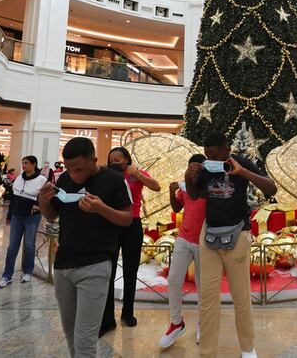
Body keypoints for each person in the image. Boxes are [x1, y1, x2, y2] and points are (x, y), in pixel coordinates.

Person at [184, 130, 277, 358]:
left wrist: (242, 171)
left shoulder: (240, 162)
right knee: (207, 298)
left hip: (238, 234)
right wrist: (189, 176)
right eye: (208, 156)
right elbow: (196, 196)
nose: (211, 161)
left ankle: (247, 347)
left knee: (241, 295)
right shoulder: (206, 167)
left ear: (227, 150)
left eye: (215, 156)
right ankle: (207, 352)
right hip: (210, 235)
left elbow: (271, 188)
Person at [37, 137, 132, 358]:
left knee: (86, 337)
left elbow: (127, 218)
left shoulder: (114, 180)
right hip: (63, 265)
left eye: (79, 169)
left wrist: (101, 208)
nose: (74, 174)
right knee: (70, 332)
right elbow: (52, 215)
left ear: (94, 160)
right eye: (69, 169)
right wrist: (43, 200)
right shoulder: (64, 181)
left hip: (95, 264)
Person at [101, 147, 161, 335]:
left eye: (119, 159)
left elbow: (156, 186)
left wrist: (137, 174)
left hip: (133, 224)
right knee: (108, 272)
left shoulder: (136, 172)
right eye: (112, 160)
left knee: (130, 270)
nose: (115, 163)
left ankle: (128, 313)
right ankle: (107, 318)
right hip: (111, 224)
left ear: (127, 159)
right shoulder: (106, 174)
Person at [160, 178, 207, 349]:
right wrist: (172, 192)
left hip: (205, 241)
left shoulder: (211, 186)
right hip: (183, 238)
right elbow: (176, 208)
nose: (193, 174)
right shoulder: (186, 186)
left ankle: (204, 323)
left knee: (203, 284)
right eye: (190, 170)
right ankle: (176, 323)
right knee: (173, 280)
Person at [0, 155, 47, 288]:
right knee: (12, 245)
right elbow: (14, 198)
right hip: (16, 216)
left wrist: (37, 205)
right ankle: (7, 275)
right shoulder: (19, 178)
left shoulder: (42, 179)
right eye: (22, 163)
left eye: (26, 163)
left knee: (29, 245)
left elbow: (45, 196)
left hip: (32, 217)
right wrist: (9, 215)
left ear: (34, 164)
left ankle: (27, 271)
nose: (23, 165)